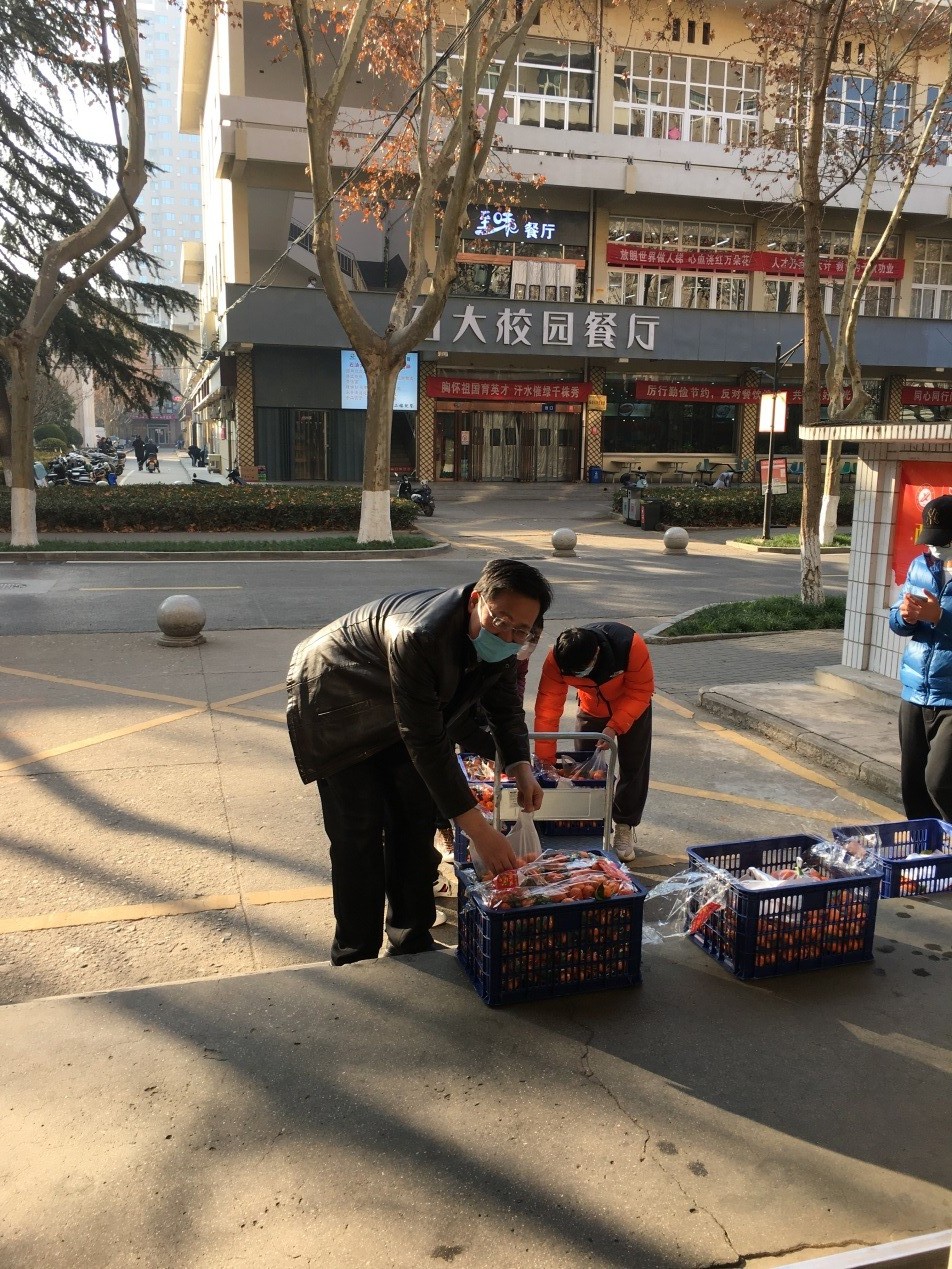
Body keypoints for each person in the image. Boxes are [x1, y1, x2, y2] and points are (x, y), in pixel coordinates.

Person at [286, 558, 553, 964]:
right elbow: (427, 741)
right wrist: (478, 831)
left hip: (403, 707)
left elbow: (504, 707)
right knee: (358, 836)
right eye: (501, 621)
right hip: (338, 701)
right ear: (476, 600)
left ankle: (410, 938)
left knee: (414, 821)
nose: (508, 634)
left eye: (521, 629)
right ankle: (355, 953)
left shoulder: (505, 639)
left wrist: (521, 766)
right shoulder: (420, 635)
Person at [533, 622, 654, 864]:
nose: (579, 677)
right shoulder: (557, 659)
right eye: (574, 674)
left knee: (634, 767)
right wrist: (545, 762)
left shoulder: (629, 645)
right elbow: (547, 710)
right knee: (584, 771)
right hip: (591, 708)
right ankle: (586, 827)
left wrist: (615, 726)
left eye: (582, 671)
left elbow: (641, 690)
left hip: (633, 707)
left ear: (596, 653)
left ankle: (624, 825)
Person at [888, 494, 952, 820]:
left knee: (940, 783)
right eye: (931, 541)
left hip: (950, 699)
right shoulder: (920, 565)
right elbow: (896, 619)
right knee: (912, 787)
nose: (935, 549)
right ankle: (924, 848)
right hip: (915, 692)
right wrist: (905, 617)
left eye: (943, 542)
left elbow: (940, 618)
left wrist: (940, 616)